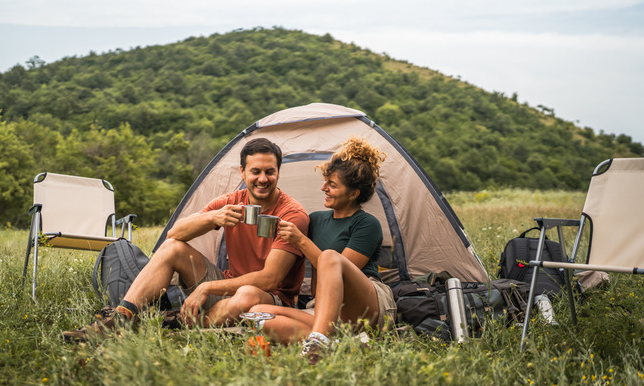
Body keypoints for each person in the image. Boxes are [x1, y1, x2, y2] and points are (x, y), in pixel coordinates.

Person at [63, 138, 309, 341]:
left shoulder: (292, 214)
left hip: (270, 299)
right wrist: (213, 217)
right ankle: (122, 317)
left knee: (247, 294)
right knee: (172, 248)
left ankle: (170, 324)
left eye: (270, 172)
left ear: (278, 172)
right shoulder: (232, 202)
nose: (263, 179)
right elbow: (174, 235)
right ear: (243, 172)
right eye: (256, 171)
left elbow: (270, 279)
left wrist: (206, 287)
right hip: (228, 287)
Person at [248, 137, 396, 364]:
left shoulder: (367, 224)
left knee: (329, 257)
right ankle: (340, 344)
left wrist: (301, 241)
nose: (323, 188)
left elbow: (337, 271)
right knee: (258, 314)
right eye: (326, 181)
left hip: (366, 307)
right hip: (325, 311)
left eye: (332, 185)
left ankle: (317, 341)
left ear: (354, 193)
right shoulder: (315, 220)